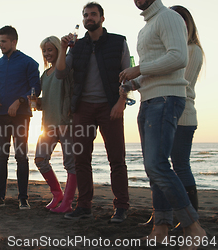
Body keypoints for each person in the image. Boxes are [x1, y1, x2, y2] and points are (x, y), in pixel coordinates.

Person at [119, 0, 206, 247]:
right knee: (153, 168)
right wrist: (134, 83)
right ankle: (161, 227)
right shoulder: (147, 26)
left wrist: (139, 70)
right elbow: (157, 67)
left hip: (166, 98)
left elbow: (178, 58)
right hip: (149, 99)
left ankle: (193, 227)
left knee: (159, 165)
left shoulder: (169, 17)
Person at [56, 2, 130, 222]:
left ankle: (122, 207)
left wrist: (121, 102)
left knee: (116, 158)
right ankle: (84, 206)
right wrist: (62, 48)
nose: (89, 18)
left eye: (93, 14)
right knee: (81, 159)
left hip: (110, 106)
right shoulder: (76, 46)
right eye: (86, 15)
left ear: (102, 18)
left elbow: (128, 75)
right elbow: (60, 73)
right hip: (83, 108)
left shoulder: (118, 42)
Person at [138, 5, 204, 231]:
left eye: (183, 22)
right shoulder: (161, 40)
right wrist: (137, 80)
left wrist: (141, 71)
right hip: (162, 102)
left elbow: (179, 81)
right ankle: (163, 220)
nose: (180, 26)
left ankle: (190, 219)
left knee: (178, 166)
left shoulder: (191, 50)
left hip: (182, 113)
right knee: (160, 165)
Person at [0, 25, 40, 210]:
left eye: (4, 41)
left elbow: (35, 89)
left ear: (14, 42)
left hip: (21, 116)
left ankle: (23, 198)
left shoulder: (29, 63)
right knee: (1, 157)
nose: (1, 45)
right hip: (0, 116)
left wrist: (19, 101)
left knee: (21, 156)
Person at [35, 36, 76, 213]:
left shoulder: (65, 69)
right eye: (44, 51)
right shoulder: (44, 75)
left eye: (50, 49)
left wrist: (67, 118)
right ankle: (57, 194)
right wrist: (37, 102)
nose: (47, 53)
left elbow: (68, 94)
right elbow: (49, 99)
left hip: (65, 123)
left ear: (59, 50)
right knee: (40, 159)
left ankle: (67, 203)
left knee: (71, 164)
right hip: (47, 125)